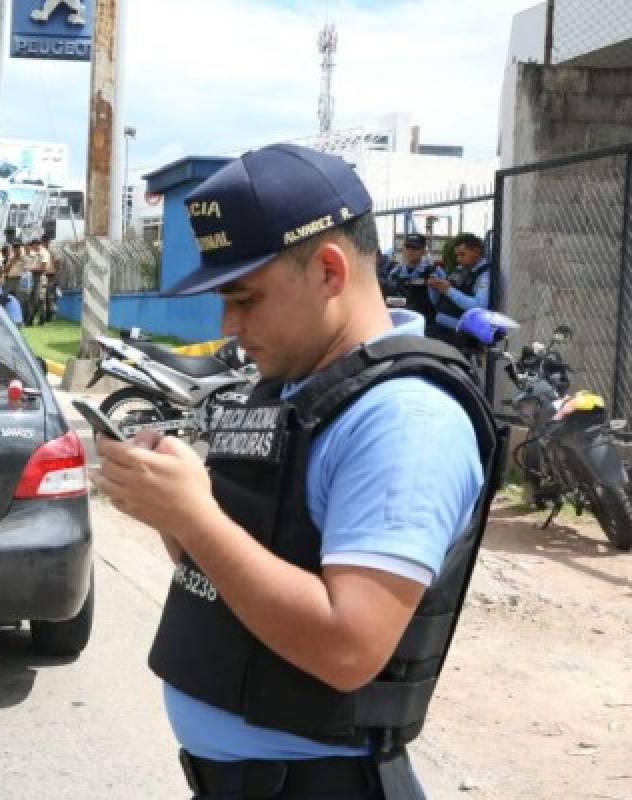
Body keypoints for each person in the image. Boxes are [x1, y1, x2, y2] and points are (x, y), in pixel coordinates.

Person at [93, 143, 503, 800]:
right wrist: (173, 512)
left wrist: (195, 515)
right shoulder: (288, 390)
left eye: (245, 298)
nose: (228, 323)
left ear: (329, 270)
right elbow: (225, 572)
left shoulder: (404, 419)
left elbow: (348, 649)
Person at [429, 233, 490, 340]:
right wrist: (435, 286)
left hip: (460, 334)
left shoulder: (484, 274)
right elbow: (438, 301)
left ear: (476, 251)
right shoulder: (461, 269)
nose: (458, 259)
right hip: (442, 327)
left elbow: (479, 306)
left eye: (462, 254)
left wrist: (448, 290)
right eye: (457, 255)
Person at [387, 233, 444, 331]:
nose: (410, 251)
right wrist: (404, 302)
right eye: (408, 247)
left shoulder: (433, 272)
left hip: (426, 325)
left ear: (423, 251)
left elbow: (438, 302)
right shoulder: (395, 273)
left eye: (415, 248)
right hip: (401, 324)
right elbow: (389, 301)